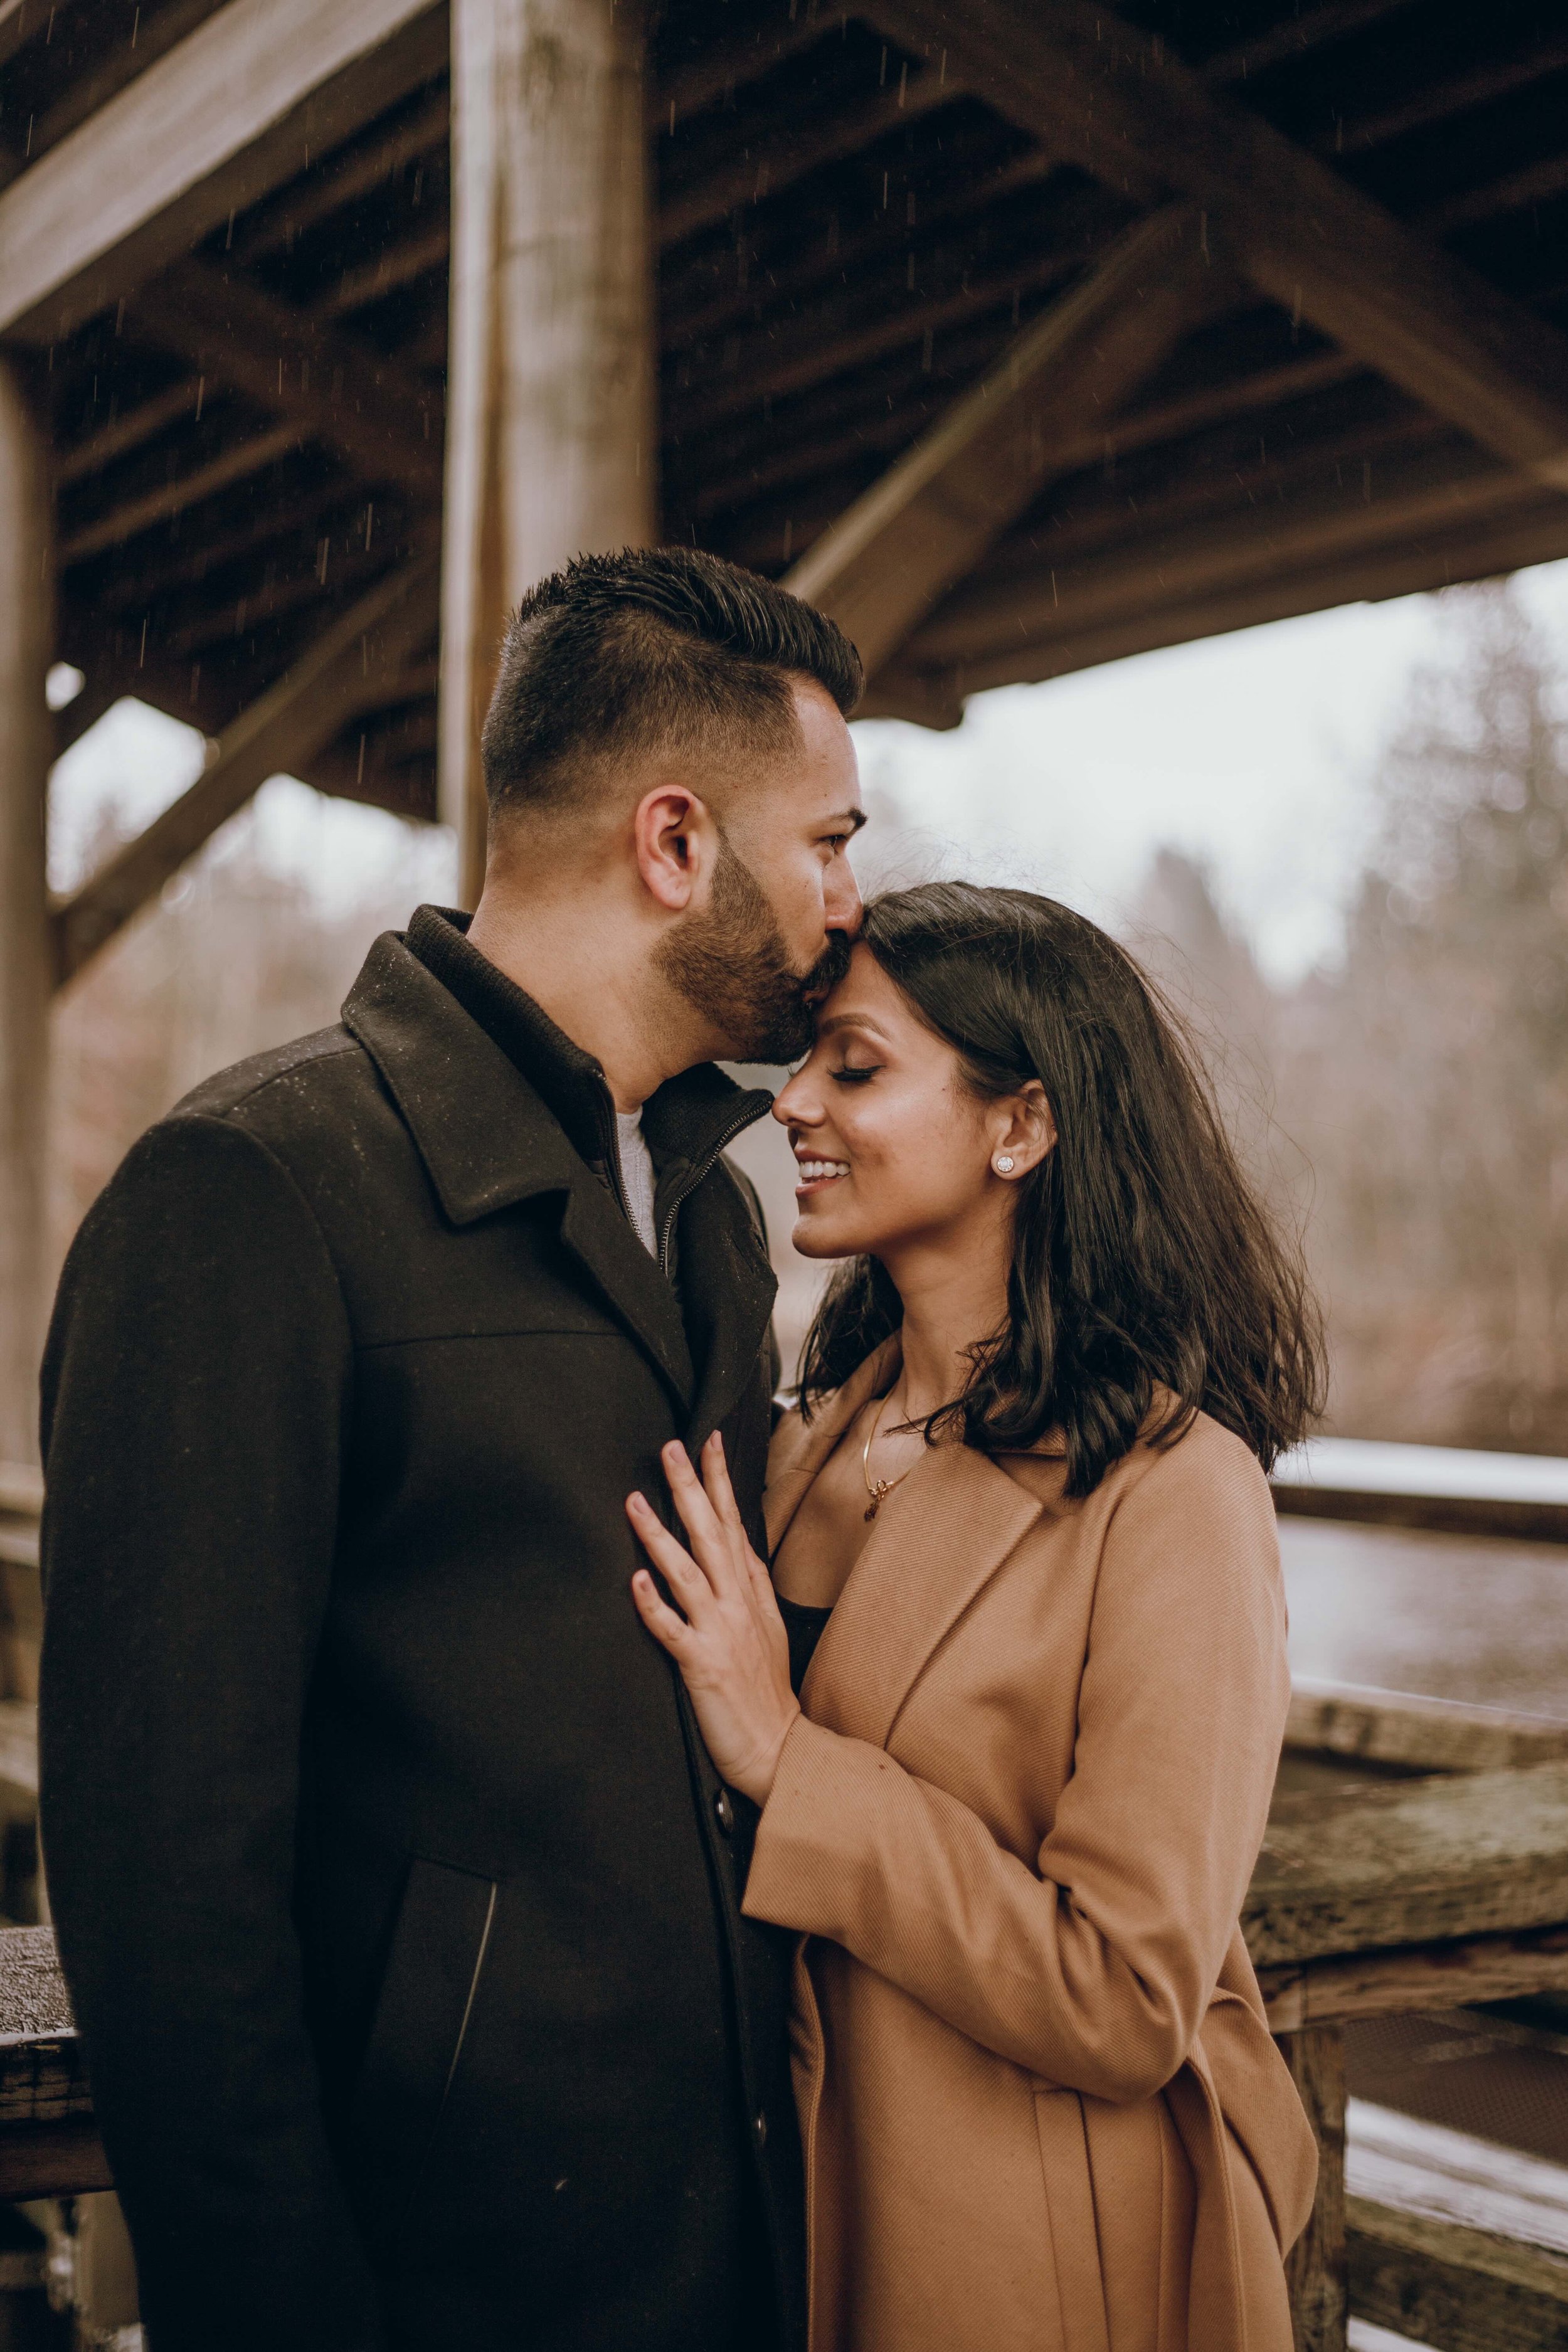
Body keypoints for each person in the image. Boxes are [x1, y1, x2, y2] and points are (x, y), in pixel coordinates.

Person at [38, 549, 866, 2352]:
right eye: (826, 841)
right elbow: (162, 1885)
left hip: (721, 2252)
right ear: (674, 842)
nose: (848, 902)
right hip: (434, 2284)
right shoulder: (247, 1191)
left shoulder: (717, 1223)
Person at [628, 881, 1327, 2352]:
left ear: (1021, 1125)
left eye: (856, 1068)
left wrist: (786, 1761)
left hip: (1031, 2257)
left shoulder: (1172, 1493)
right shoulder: (798, 1443)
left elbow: (1127, 1992)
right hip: (777, 2220)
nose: (792, 1104)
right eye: (806, 1060)